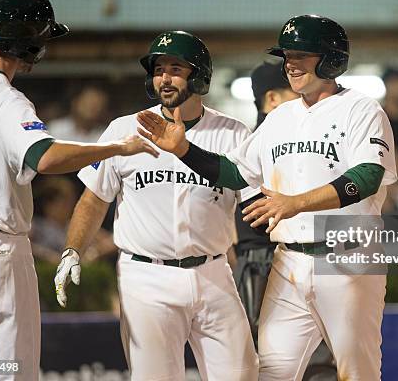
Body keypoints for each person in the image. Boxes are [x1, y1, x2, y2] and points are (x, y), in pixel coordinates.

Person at [137, 15, 397, 381]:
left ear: (331, 59)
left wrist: (295, 203)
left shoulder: (362, 109)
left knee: (358, 372)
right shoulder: (280, 117)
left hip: (347, 256)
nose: (290, 64)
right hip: (288, 260)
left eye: (300, 55)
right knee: (272, 372)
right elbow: (234, 172)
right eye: (287, 56)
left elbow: (368, 177)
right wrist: (185, 152)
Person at [0, 0, 157, 381]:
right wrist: (115, 147)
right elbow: (43, 157)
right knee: (10, 372)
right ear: (26, 42)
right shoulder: (2, 97)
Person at [54, 31, 258, 380]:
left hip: (213, 271)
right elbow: (93, 198)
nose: (164, 77)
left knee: (242, 374)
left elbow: (253, 199)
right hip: (147, 275)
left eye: (175, 68)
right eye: (158, 69)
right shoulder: (125, 129)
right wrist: (72, 250)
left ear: (200, 74)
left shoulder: (233, 132)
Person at [234, 61, 298, 339]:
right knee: (265, 357)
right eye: (295, 95)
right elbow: (254, 213)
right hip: (262, 262)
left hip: (286, 260)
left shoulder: (291, 139)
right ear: (272, 98)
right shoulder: (261, 142)